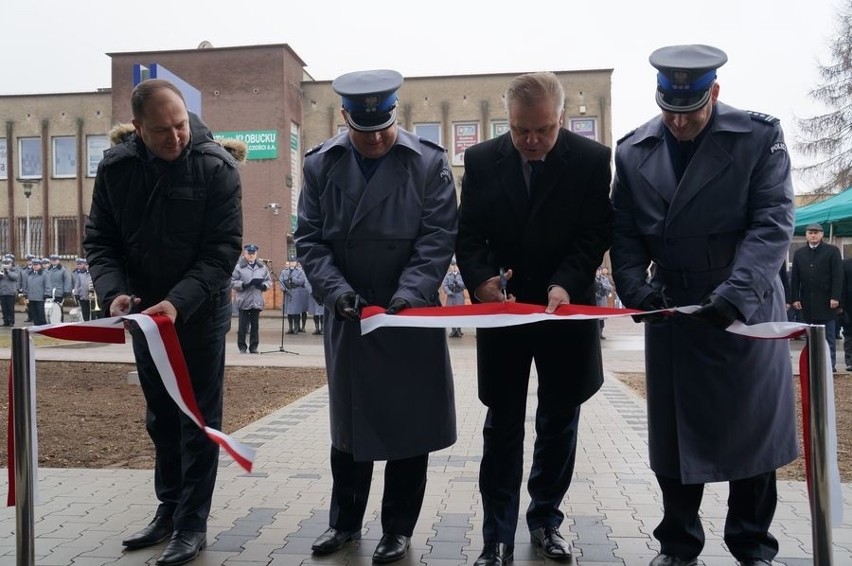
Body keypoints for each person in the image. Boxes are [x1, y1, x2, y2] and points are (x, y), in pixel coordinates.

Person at [610, 44, 797, 566]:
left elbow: (773, 222)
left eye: (689, 112)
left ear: (713, 93)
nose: (678, 123)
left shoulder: (758, 138)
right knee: (674, 437)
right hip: (674, 308)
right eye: (669, 111)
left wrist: (736, 296)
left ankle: (752, 543)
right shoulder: (632, 151)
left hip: (745, 308)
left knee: (752, 432)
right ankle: (678, 543)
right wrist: (635, 290)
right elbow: (623, 232)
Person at [295, 69, 457, 564]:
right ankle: (343, 523)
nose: (378, 138)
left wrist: (408, 297)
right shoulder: (321, 165)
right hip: (351, 314)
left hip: (408, 316)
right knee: (350, 427)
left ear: (395, 115)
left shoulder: (428, 163)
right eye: (365, 131)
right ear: (345, 119)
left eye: (385, 127)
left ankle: (398, 529)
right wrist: (337, 294)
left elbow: (437, 240)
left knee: (410, 428)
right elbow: (310, 240)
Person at [83, 78, 244, 566]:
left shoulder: (216, 165)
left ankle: (192, 524)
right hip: (145, 316)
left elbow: (222, 252)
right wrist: (113, 295)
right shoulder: (116, 168)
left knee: (196, 419)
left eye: (180, 126)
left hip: (195, 313)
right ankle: (168, 509)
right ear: (137, 128)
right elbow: (100, 242)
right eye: (162, 131)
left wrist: (178, 302)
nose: (176, 138)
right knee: (160, 417)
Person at [455, 71, 612, 565]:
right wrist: (480, 280)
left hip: (566, 309)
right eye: (520, 129)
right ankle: (496, 535)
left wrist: (565, 282)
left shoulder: (591, 160)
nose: (530, 140)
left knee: (559, 418)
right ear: (509, 119)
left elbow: (593, 233)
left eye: (542, 130)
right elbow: (470, 234)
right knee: (502, 423)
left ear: (561, 118)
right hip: (506, 313)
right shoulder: (481, 160)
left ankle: (546, 518)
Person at [791, 222, 843, 372]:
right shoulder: (799, 253)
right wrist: (795, 298)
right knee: (810, 336)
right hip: (807, 302)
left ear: (822, 235)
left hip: (827, 302)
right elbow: (795, 278)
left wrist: (835, 297)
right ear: (806, 235)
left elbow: (837, 276)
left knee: (829, 335)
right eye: (810, 232)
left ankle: (830, 364)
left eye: (816, 232)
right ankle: (813, 364)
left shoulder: (832, 251)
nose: (813, 235)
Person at [231, 243, 272, 354]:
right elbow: (232, 281)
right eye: (249, 253)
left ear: (256, 254)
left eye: (253, 253)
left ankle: (253, 347)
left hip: (256, 299)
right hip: (243, 299)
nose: (251, 255)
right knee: (242, 326)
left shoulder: (262, 267)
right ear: (245, 254)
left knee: (255, 326)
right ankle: (242, 346)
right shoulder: (239, 267)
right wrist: (243, 284)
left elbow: (269, 281)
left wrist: (264, 286)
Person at [279, 261, 309, 334]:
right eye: (290, 262)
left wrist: (293, 279)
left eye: (293, 262)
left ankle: (296, 328)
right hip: (287, 292)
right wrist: (284, 289)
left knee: (296, 311)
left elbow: (302, 281)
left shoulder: (300, 271)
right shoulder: (284, 271)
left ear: (296, 263)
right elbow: (281, 281)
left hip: (296, 292)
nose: (292, 263)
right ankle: (290, 328)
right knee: (289, 312)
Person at [442, 259, 466, 337]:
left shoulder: (461, 275)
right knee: (451, 313)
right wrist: (449, 292)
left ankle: (459, 330)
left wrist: (458, 283)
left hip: (459, 295)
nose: (454, 267)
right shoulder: (448, 275)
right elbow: (444, 285)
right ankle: (453, 330)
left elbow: (464, 285)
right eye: (452, 265)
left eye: (455, 265)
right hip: (451, 296)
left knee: (459, 313)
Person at [0, 255, 20, 326]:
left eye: (8, 263)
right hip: (2, 292)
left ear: (11, 264)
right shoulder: (1, 269)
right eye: (5, 263)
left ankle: (11, 321)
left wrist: (8, 272)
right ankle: (6, 321)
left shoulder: (15, 269)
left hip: (10, 292)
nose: (6, 264)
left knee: (10, 308)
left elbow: (15, 277)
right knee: (4, 308)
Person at [594, 266, 614, 338]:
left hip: (602, 300)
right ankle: (596, 334)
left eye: (599, 271)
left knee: (601, 319)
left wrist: (602, 284)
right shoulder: (593, 279)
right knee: (595, 319)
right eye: (597, 271)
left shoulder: (604, 279)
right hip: (595, 300)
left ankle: (600, 333)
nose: (598, 272)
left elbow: (610, 287)